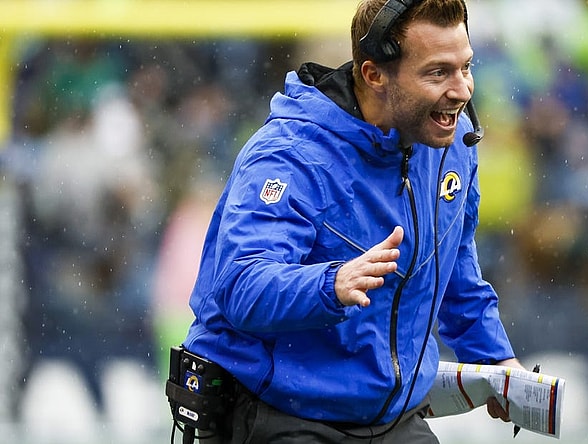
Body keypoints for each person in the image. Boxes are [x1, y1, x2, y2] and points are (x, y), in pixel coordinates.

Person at [179, 0, 523, 442]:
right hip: (278, 412)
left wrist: (494, 359)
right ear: (373, 75)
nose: (462, 90)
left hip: (393, 420)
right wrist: (332, 285)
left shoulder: (451, 142)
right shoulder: (290, 156)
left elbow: (455, 266)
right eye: (438, 73)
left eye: (466, 67)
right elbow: (240, 287)